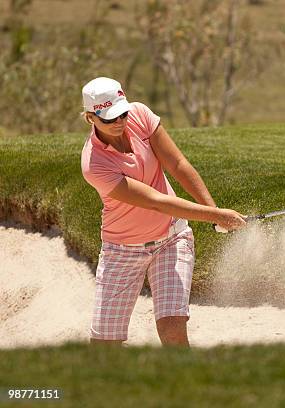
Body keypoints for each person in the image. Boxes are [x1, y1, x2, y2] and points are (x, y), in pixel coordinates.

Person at [80, 77, 246, 347]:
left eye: (122, 113)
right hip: (121, 250)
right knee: (104, 345)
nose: (120, 122)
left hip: (172, 239)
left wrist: (214, 210)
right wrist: (215, 216)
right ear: (90, 118)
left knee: (172, 326)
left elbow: (177, 163)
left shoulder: (141, 116)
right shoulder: (94, 164)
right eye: (109, 119)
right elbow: (156, 200)